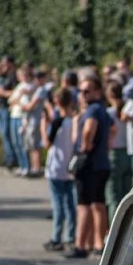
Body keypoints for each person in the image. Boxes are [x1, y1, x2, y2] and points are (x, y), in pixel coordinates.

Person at [73, 74, 114, 257]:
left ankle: (82, 244)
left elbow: (89, 128)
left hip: (90, 163)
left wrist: (85, 145)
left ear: (97, 92)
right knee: (97, 204)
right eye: (80, 91)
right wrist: (106, 145)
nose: (82, 94)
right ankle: (95, 243)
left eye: (87, 91)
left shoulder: (92, 110)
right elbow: (115, 129)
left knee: (86, 204)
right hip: (101, 162)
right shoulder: (101, 109)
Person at [43, 87, 78, 253]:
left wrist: (44, 125)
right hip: (70, 167)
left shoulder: (57, 122)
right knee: (70, 204)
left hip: (56, 167)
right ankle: (71, 236)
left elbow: (46, 142)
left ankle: (57, 236)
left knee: (58, 203)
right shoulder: (75, 121)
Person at [105, 79, 133, 214]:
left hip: (114, 153)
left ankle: (113, 228)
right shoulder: (127, 110)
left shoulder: (109, 113)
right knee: (126, 193)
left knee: (113, 196)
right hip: (127, 153)